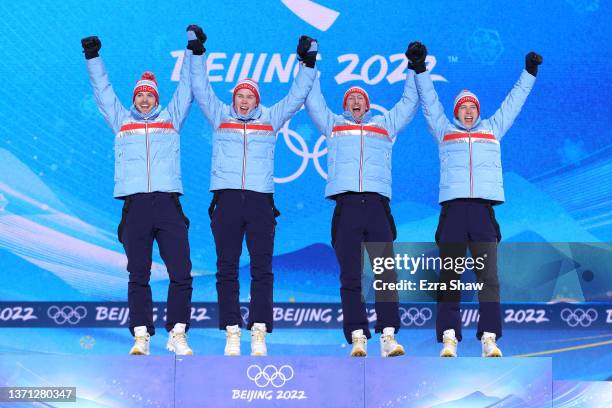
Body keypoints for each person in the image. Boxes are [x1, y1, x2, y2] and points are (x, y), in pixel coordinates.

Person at [406, 41, 543, 357]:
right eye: (462, 108)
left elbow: (514, 102)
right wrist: (419, 69)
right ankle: (450, 337)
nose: (467, 112)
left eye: (472, 108)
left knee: (488, 278)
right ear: (456, 112)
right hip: (453, 212)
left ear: (478, 111)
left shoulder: (493, 130)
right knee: (450, 277)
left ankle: (490, 337)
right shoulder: (444, 131)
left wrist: (529, 73)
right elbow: (429, 102)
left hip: (482, 212)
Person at [189, 27, 317, 356]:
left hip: (260, 202)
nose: (244, 100)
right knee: (227, 267)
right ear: (233, 98)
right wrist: (197, 52)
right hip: (227, 200)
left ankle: (259, 329)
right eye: (239, 96)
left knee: (262, 268)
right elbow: (201, 89)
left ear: (257, 100)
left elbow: (296, 97)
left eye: (250, 96)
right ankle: (232, 330)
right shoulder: (219, 116)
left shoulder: (271, 119)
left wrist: (307, 63)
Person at [81, 26, 200, 356]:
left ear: (157, 99)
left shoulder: (172, 119)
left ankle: (178, 332)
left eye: (150, 95)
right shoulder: (121, 121)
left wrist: (193, 50)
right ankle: (141, 335)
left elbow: (188, 88)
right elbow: (103, 91)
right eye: (140, 95)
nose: (145, 99)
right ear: (134, 99)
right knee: (139, 274)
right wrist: (93, 57)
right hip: (135, 207)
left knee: (181, 272)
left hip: (167, 204)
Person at [304, 43, 419, 357]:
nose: (355, 101)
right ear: (345, 107)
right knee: (350, 275)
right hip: (347, 208)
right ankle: (357, 335)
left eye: (360, 99)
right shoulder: (334, 125)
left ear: (368, 106)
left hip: (378, 208)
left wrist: (414, 67)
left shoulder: (384, 127)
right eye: (350, 99)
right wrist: (309, 63)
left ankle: (388, 336)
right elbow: (312, 101)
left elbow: (409, 103)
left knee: (384, 274)